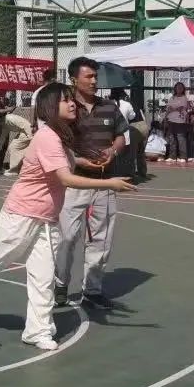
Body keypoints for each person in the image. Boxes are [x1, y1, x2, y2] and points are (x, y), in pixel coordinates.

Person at [0, 83, 136, 350]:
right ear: (50, 107)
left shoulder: (59, 136)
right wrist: (109, 183)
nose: (72, 103)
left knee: (43, 276)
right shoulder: (48, 136)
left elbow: (64, 161)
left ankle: (38, 331)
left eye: (71, 99)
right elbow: (65, 178)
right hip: (22, 213)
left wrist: (84, 162)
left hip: (46, 219)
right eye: (65, 100)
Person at [54, 57, 128, 309]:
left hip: (104, 183)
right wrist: (78, 161)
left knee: (100, 239)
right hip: (73, 184)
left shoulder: (109, 107)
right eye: (89, 76)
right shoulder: (65, 108)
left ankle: (92, 290)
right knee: (66, 238)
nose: (94, 81)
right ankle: (60, 285)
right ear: (74, 79)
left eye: (96, 76)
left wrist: (113, 151)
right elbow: (55, 145)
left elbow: (121, 136)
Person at [164, 82, 191, 162]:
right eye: (177, 87)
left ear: (183, 89)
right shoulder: (172, 98)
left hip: (180, 121)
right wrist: (165, 118)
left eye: (181, 87)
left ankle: (183, 156)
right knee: (172, 138)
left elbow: (182, 108)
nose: (179, 89)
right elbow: (168, 108)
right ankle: (172, 156)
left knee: (181, 138)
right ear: (175, 88)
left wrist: (174, 109)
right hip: (171, 119)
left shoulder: (184, 98)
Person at [0, 90, 15, 171]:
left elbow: (6, 109)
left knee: (5, 144)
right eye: (3, 91)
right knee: (2, 142)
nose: (5, 92)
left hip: (5, 123)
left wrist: (11, 109)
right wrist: (7, 109)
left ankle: (0, 164)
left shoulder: (4, 99)